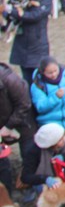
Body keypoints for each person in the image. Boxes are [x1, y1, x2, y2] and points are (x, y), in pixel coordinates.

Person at [20, 123, 65, 205]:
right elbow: (26, 176)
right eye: (60, 140)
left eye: (64, 136)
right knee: (40, 187)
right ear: (52, 144)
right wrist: (45, 179)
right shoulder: (33, 151)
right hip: (47, 178)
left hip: (64, 173)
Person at [5, 0, 53, 82]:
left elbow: (35, 16)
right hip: (22, 40)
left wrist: (14, 12)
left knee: (39, 76)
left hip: (38, 41)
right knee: (26, 77)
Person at [30, 56, 65, 149]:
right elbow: (40, 107)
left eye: (56, 70)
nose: (54, 74)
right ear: (43, 72)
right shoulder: (37, 84)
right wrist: (55, 98)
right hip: (51, 124)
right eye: (49, 73)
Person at [0, 59, 35, 191]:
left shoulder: (10, 80)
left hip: (23, 122)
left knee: (29, 155)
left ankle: (29, 188)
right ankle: (6, 193)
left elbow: (24, 104)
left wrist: (9, 126)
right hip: (2, 124)